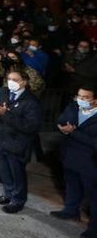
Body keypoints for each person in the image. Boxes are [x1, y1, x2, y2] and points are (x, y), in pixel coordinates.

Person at [0, 70, 43, 214]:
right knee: (4, 171)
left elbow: (30, 126)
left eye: (15, 79)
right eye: (9, 78)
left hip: (17, 144)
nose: (10, 82)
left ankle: (18, 200)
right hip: (1, 140)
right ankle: (7, 195)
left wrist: (5, 114)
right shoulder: (3, 92)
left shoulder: (31, 102)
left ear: (24, 82)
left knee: (17, 173)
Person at [51, 84, 97, 237]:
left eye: (86, 97)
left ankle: (94, 228)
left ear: (95, 100)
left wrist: (73, 132)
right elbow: (62, 119)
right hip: (70, 155)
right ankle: (71, 211)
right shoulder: (73, 107)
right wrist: (62, 127)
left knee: (93, 195)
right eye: (79, 96)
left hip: (90, 162)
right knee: (71, 186)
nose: (81, 100)